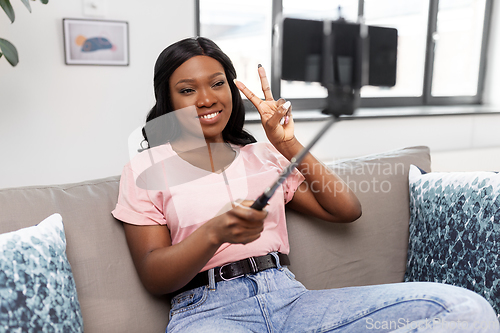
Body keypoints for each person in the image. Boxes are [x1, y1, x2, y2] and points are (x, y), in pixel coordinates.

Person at [112, 37, 499, 333]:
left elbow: (346, 210)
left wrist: (287, 144)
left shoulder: (262, 156)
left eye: (217, 83)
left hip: (292, 301)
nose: (206, 98)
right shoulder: (146, 168)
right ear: (167, 97)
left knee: (464, 309)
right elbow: (154, 275)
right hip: (208, 311)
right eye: (187, 89)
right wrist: (214, 232)